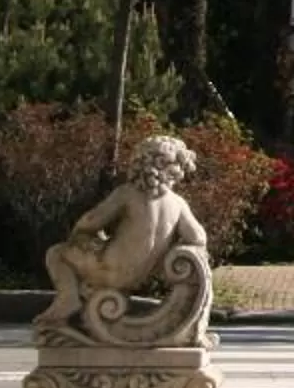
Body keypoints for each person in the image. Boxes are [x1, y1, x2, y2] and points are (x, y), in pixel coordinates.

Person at [37, 134, 209, 332]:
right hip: (135, 279)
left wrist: (88, 238)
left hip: (108, 268)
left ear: (142, 162)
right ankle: (83, 303)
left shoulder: (127, 193)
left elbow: (89, 222)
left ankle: (68, 299)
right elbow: (198, 237)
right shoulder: (178, 204)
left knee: (57, 253)